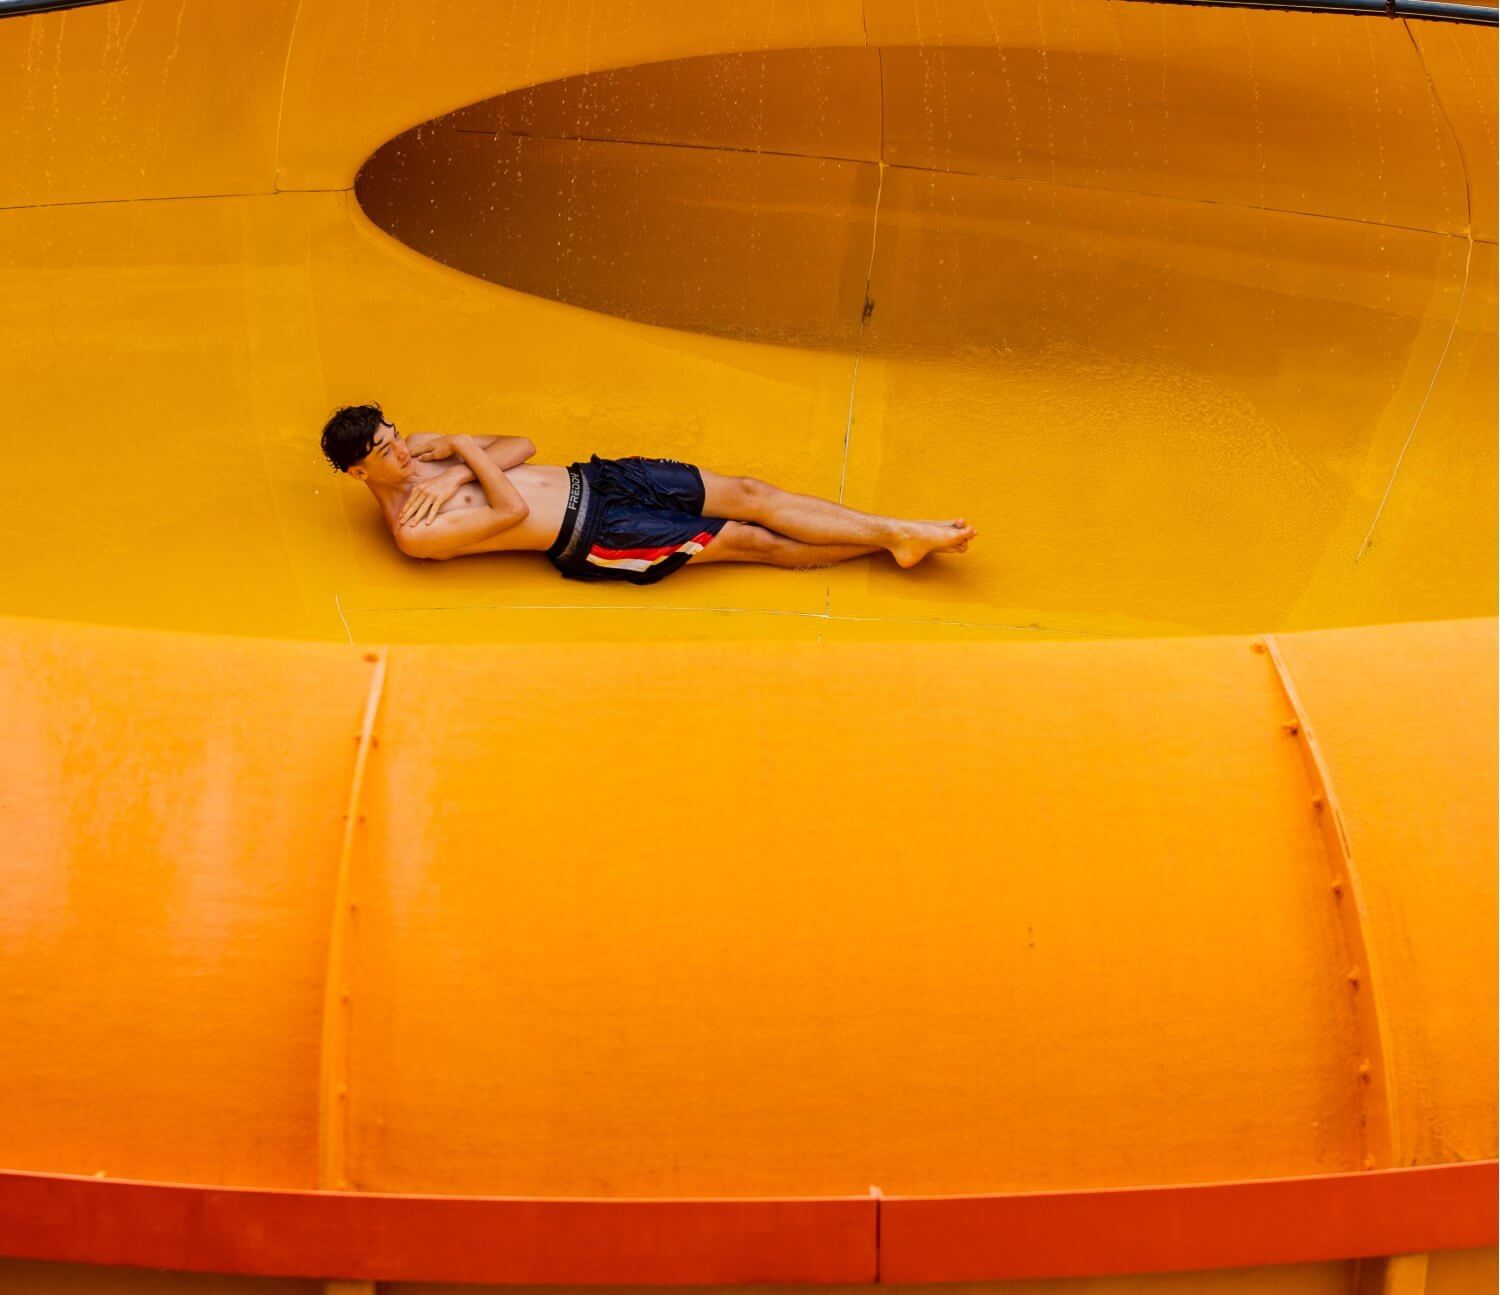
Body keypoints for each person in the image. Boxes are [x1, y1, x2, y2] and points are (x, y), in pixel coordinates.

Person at [320, 404, 976, 584]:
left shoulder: (428, 455)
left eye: (393, 434)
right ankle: (890, 543)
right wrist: (463, 451)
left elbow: (521, 445)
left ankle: (897, 531)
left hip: (599, 477)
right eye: (384, 450)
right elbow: (513, 510)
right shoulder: (416, 532)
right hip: (596, 535)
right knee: (752, 541)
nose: (400, 449)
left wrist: (457, 467)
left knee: (751, 490)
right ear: (358, 473)